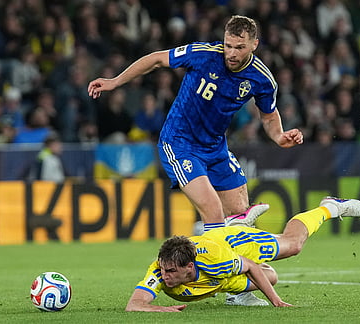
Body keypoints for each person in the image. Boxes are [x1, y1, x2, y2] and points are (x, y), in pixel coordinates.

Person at [89, 15, 303, 306]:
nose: (231, 52)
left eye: (240, 47)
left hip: (216, 148)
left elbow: (268, 115)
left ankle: (238, 292)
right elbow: (155, 59)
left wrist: (278, 136)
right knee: (213, 212)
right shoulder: (203, 55)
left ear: (255, 44)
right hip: (179, 143)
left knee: (240, 217)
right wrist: (115, 82)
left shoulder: (262, 78)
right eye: (228, 45)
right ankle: (220, 278)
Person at [125, 197, 360, 312]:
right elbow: (134, 305)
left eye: (171, 271)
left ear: (190, 266)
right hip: (220, 278)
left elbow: (251, 265)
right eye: (164, 269)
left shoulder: (216, 259)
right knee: (270, 276)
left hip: (233, 244)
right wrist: (162, 309)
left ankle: (329, 207)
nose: (164, 276)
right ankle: (236, 225)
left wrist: (276, 301)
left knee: (293, 245)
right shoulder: (159, 270)